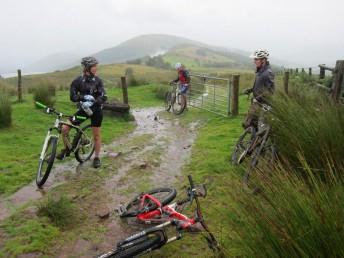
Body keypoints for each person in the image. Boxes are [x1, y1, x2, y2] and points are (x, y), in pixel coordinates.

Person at [56, 56, 107, 168]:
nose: (96, 68)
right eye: (94, 66)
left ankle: (97, 157)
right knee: (65, 129)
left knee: (96, 135)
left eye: (96, 66)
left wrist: (94, 100)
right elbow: (72, 97)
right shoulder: (78, 81)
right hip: (83, 111)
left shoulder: (98, 81)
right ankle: (66, 149)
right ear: (87, 68)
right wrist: (83, 98)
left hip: (96, 111)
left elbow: (104, 96)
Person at [243, 49, 275, 128]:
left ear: (263, 60)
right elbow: (260, 86)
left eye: (256, 59)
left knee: (258, 127)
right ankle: (254, 139)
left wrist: (257, 98)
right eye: (254, 59)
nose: (254, 61)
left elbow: (270, 91)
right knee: (248, 124)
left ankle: (259, 139)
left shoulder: (268, 73)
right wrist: (250, 90)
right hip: (257, 103)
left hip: (263, 105)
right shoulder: (260, 71)